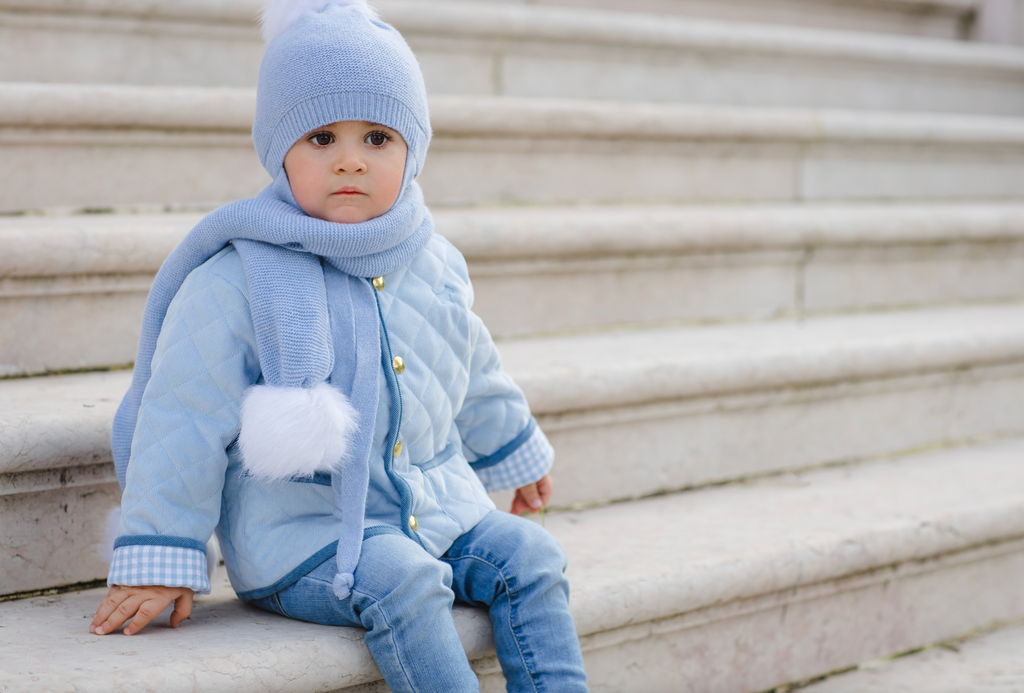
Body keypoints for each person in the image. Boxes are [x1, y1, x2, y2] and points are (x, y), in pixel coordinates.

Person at [88, 1, 590, 691]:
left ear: (412, 150)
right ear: (280, 150)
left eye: (377, 138)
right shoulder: (238, 277)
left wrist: (511, 446)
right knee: (406, 582)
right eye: (321, 137)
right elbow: (183, 414)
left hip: (433, 505)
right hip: (305, 535)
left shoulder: (433, 260)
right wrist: (160, 552)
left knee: (531, 556)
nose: (350, 160)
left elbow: (470, 366)